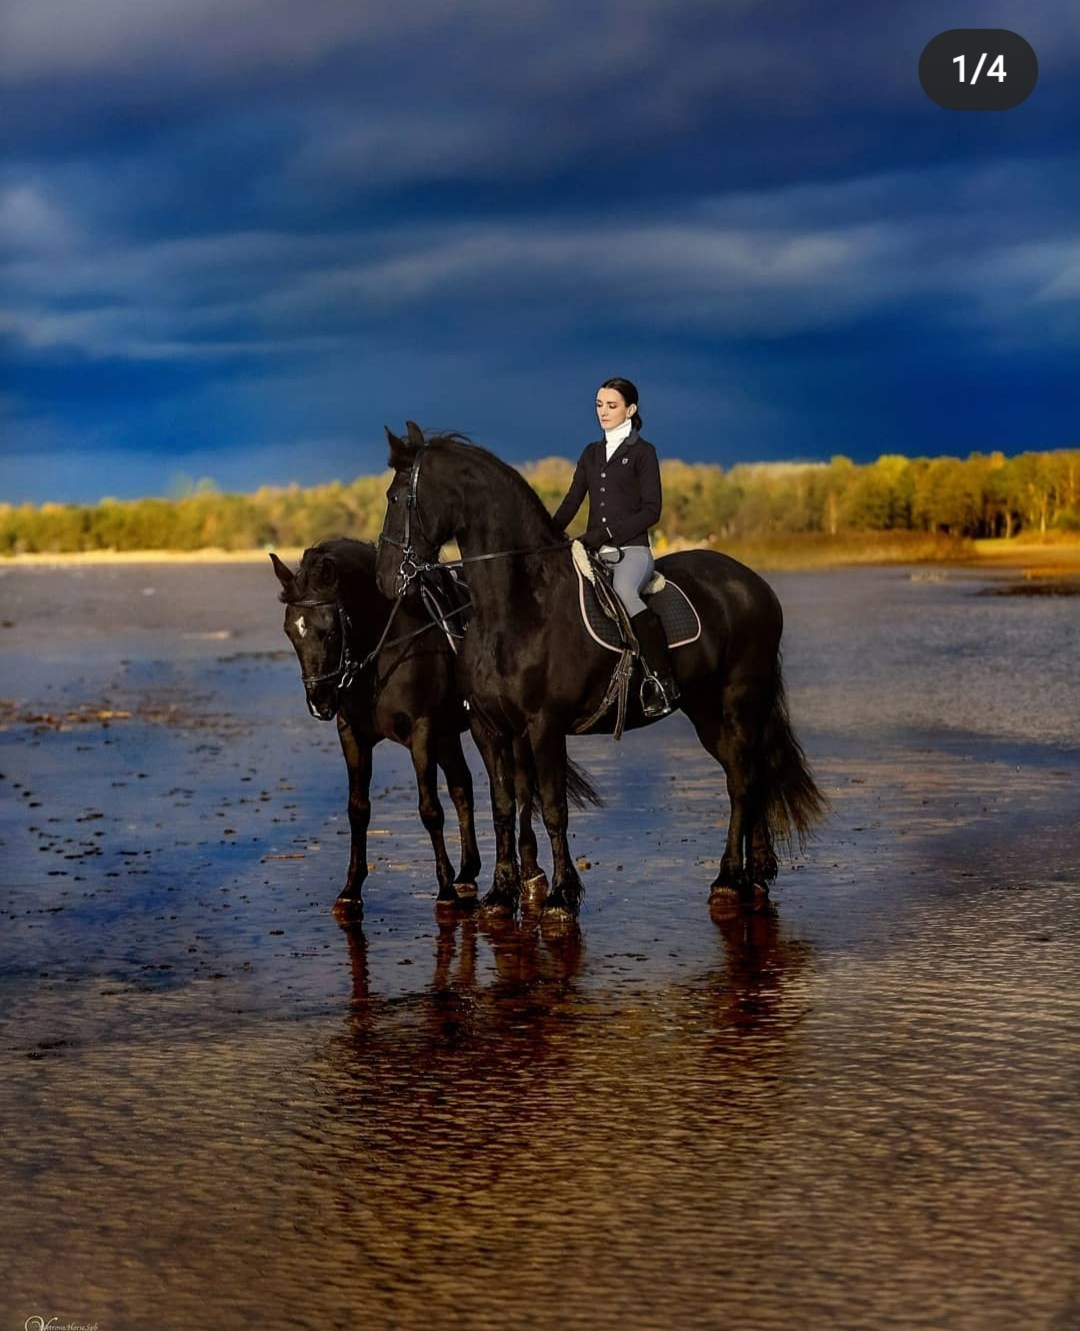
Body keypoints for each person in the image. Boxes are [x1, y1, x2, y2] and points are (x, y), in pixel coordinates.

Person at [552, 377, 680, 719]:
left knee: (624, 590)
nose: (603, 412)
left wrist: (604, 533)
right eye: (599, 405)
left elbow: (652, 510)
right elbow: (571, 501)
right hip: (594, 553)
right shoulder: (591, 454)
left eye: (611, 405)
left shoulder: (643, 453)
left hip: (632, 552)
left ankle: (662, 680)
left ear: (630, 409)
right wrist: (547, 535)